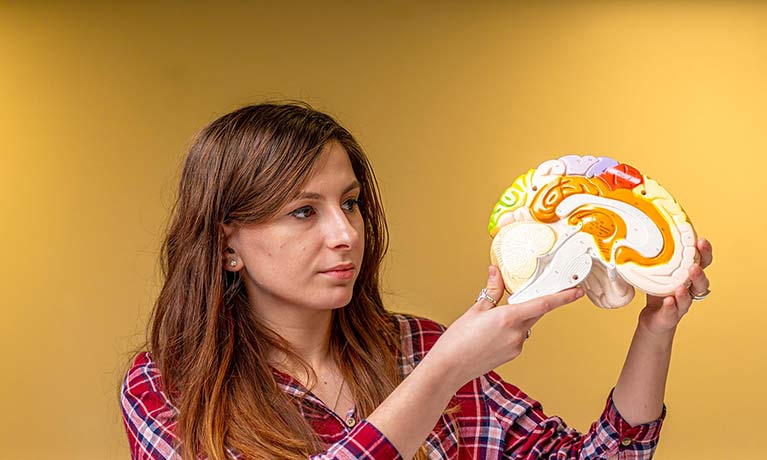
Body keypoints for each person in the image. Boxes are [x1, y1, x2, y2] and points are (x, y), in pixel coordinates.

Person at [120, 102, 713, 460]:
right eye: (304, 212)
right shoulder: (170, 386)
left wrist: (655, 331)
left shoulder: (416, 347)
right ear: (228, 246)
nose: (345, 234)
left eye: (349, 204)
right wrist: (443, 374)